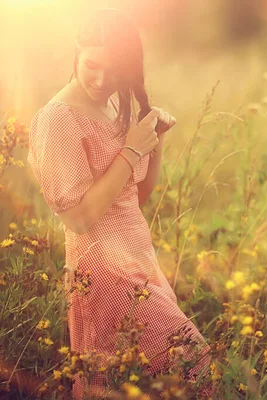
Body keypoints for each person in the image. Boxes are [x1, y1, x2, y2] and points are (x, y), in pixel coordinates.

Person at [26, 8, 212, 399]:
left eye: (114, 71)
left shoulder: (113, 104)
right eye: (93, 65)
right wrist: (131, 150)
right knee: (191, 361)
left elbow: (134, 198)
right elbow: (78, 218)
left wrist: (153, 143)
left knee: (128, 384)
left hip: (138, 259)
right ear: (76, 50)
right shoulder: (58, 119)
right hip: (103, 268)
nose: (101, 80)